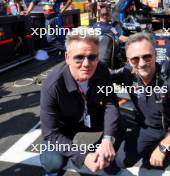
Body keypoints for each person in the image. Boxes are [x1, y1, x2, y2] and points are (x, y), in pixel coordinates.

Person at [111, 32, 170, 176]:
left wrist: (163, 146)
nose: (142, 63)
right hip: (147, 128)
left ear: (155, 54)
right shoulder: (127, 73)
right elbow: (100, 74)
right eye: (135, 59)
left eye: (147, 56)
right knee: (121, 160)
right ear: (129, 61)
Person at [39, 27, 120, 176]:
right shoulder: (52, 86)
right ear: (67, 57)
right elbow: (50, 133)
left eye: (92, 57)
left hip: (92, 115)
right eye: (79, 57)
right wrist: (83, 156)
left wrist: (108, 139)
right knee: (52, 163)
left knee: (117, 124)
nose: (86, 64)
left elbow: (110, 104)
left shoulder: (101, 70)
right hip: (65, 125)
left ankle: (106, 154)